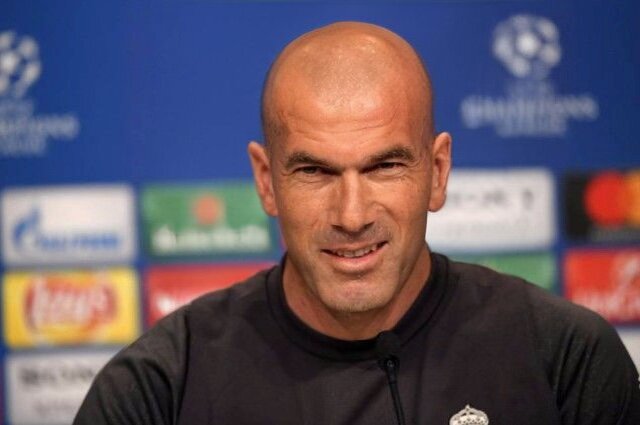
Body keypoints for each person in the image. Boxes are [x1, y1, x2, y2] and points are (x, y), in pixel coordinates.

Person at [74, 22, 640, 425]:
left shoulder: (566, 358)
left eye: (385, 167)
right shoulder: (157, 389)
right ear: (267, 181)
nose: (352, 216)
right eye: (314, 171)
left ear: (437, 172)